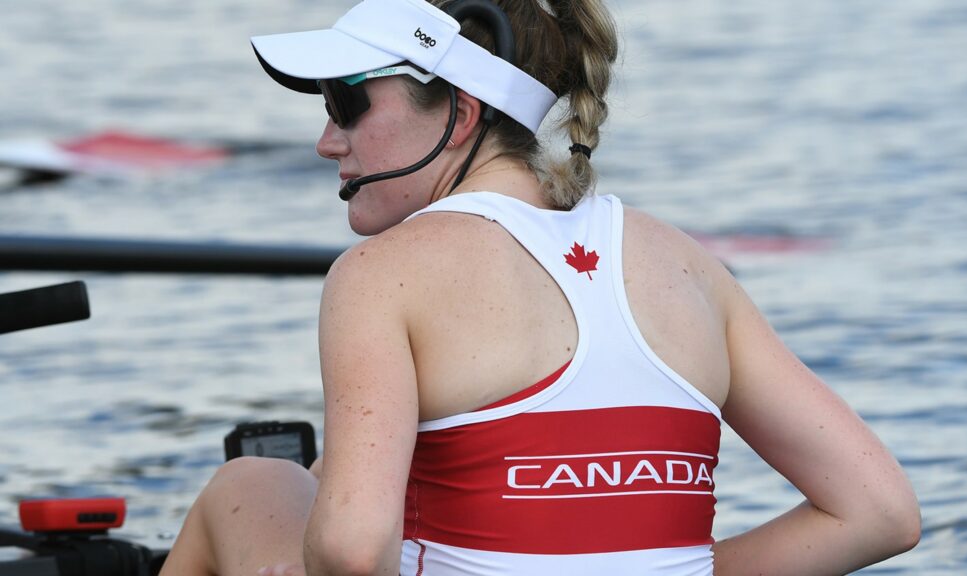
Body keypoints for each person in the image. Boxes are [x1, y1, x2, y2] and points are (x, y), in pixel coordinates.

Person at [160, 0, 920, 574]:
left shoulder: (381, 273)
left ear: (459, 112)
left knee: (251, 482)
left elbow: (355, 553)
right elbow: (879, 514)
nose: (327, 139)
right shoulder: (689, 267)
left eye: (345, 102)